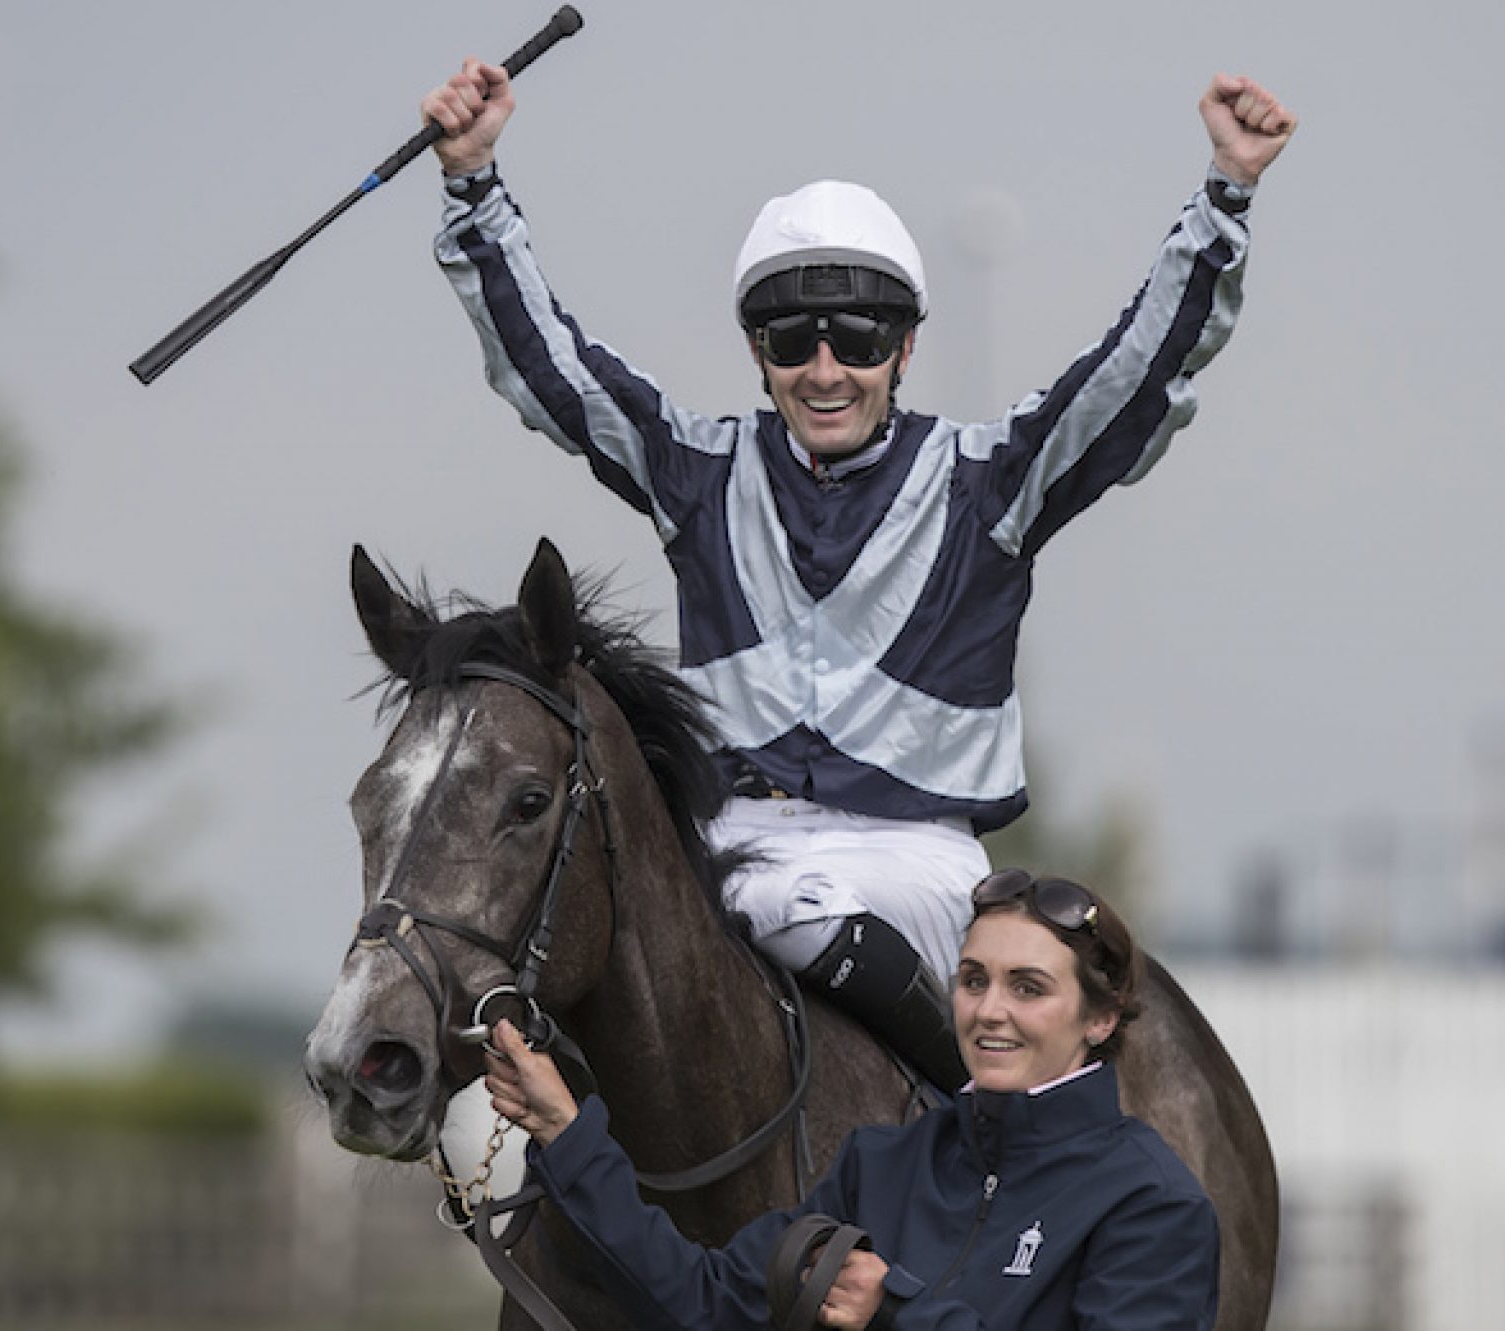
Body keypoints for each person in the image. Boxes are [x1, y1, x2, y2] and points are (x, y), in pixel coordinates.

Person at [421, 65, 1296, 1092]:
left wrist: (1224, 195)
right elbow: (549, 369)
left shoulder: (991, 480)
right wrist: (474, 184)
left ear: (905, 345)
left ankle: (975, 1129)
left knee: (755, 909)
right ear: (758, 350)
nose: (826, 366)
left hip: (913, 861)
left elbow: (1135, 373)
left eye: (860, 337)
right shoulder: (696, 471)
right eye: (793, 339)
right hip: (731, 834)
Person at [484, 870, 1217, 1330]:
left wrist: (895, 1311)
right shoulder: (884, 1161)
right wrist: (568, 1133)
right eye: (972, 980)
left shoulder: (1153, 1202)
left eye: (1028, 987)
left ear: (1099, 1018)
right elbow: (702, 1304)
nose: (990, 1009)